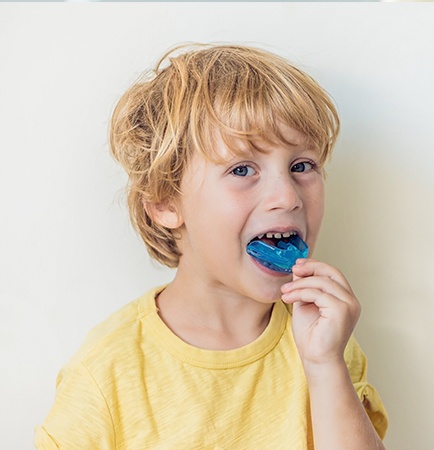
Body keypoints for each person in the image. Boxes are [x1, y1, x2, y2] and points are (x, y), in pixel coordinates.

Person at [35, 43, 388, 449]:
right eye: (242, 169)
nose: (287, 197)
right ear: (166, 202)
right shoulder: (106, 374)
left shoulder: (322, 335)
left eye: (301, 166)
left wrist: (325, 365)